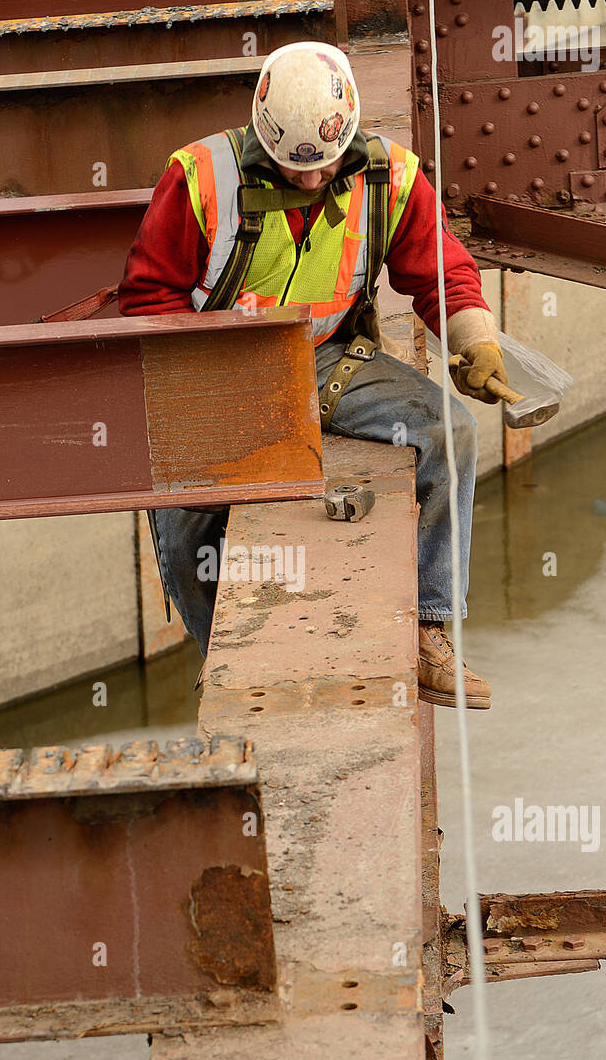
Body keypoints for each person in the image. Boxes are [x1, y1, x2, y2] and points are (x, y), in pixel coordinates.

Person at [119, 41, 511, 709]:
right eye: (294, 167)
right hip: (223, 373)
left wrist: (473, 334)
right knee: (181, 515)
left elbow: (438, 271)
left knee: (449, 431)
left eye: (323, 165)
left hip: (330, 358)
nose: (310, 181)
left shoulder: (389, 175)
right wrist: (215, 385)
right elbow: (148, 299)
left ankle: (429, 629)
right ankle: (222, 660)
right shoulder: (198, 177)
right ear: (262, 136)